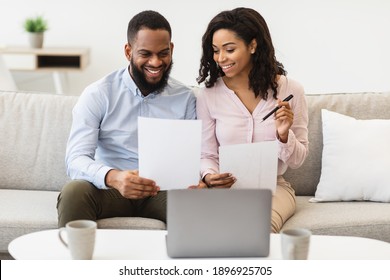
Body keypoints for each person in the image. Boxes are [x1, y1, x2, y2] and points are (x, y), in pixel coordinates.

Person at [57, 10, 196, 227]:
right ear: (128, 51)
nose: (156, 62)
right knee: (74, 191)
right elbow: (75, 159)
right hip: (111, 189)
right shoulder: (99, 94)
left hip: (161, 191)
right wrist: (114, 177)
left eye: (163, 53)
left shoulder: (185, 98)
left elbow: (190, 157)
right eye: (146, 53)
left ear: (172, 49)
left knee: (196, 203)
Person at [196, 7, 309, 233]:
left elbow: (298, 160)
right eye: (216, 51)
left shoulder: (291, 90)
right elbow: (207, 154)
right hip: (226, 190)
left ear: (253, 45)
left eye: (229, 49)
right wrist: (210, 176)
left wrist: (284, 135)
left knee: (258, 228)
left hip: (274, 188)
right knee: (207, 229)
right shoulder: (208, 96)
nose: (221, 58)